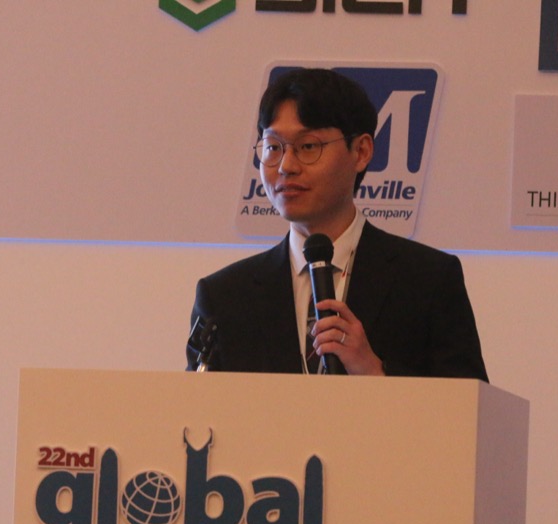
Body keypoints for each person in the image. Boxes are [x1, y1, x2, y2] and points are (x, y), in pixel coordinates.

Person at [187, 67, 487, 381]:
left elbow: (468, 404)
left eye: (308, 147)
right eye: (273, 147)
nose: (287, 166)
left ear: (361, 152)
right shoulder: (224, 297)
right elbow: (196, 405)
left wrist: (375, 372)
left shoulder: (428, 281)